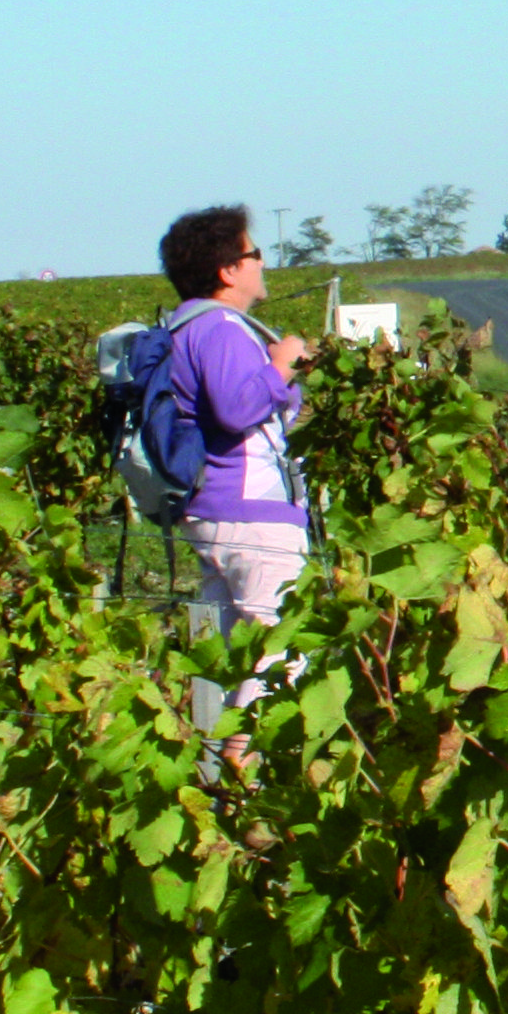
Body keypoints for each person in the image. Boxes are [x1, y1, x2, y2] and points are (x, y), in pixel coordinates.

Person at [155, 203, 315, 730]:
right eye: (254, 253)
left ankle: (233, 765)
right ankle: (244, 766)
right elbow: (235, 408)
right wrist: (281, 363)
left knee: (243, 659)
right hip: (251, 515)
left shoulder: (184, 326)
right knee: (281, 658)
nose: (262, 262)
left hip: (213, 511)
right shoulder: (221, 327)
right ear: (228, 270)